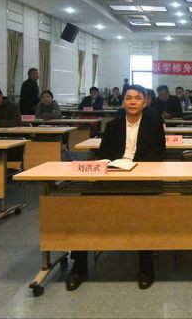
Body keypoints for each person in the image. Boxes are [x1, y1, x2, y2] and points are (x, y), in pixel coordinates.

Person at [67, 85, 166, 291]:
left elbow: (159, 153)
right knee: (83, 206)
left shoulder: (154, 124)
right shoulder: (113, 125)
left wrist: (136, 167)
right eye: (128, 98)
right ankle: (79, 264)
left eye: (137, 98)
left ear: (145, 102)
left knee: (144, 211)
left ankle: (146, 263)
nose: (132, 102)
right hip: (114, 174)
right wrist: (114, 165)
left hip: (143, 177)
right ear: (122, 102)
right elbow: (103, 154)